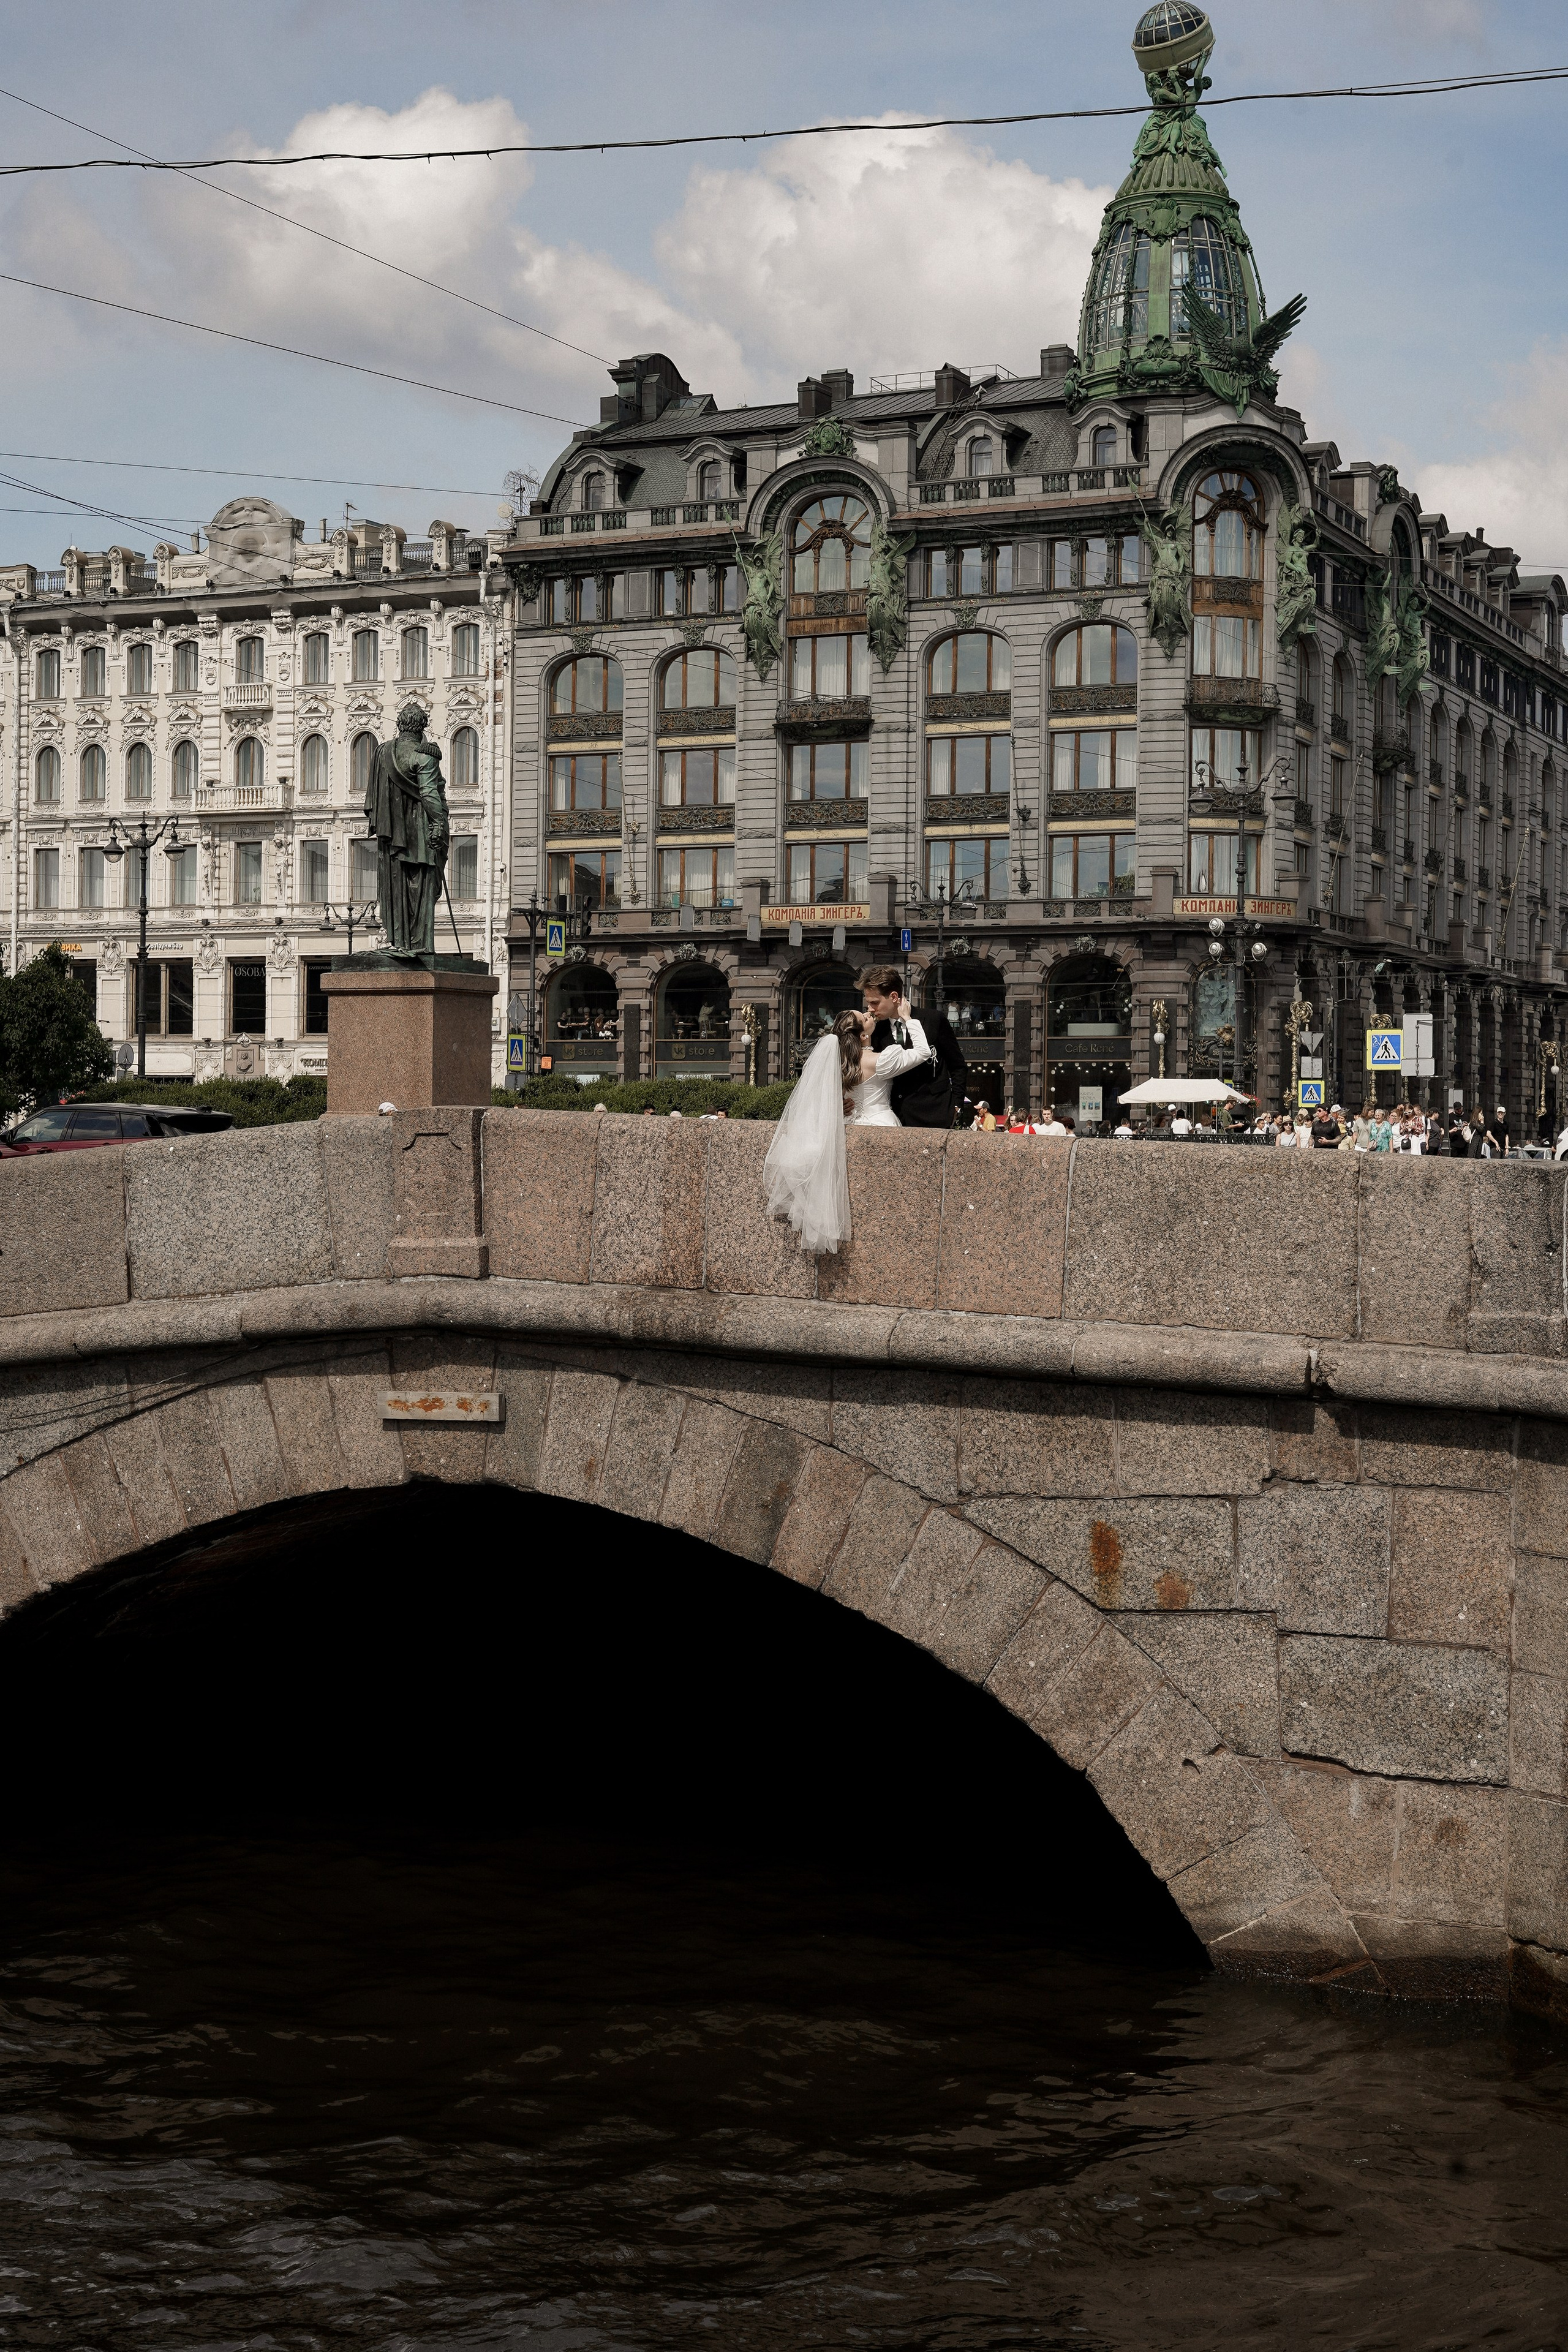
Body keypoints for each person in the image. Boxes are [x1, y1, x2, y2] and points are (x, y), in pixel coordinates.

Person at [761, 1009, 931, 1254]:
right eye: (865, 1018)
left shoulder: (837, 1063)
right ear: (863, 1036)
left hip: (848, 1130)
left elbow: (814, 1100)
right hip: (882, 1127)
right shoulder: (879, 1060)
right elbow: (923, 1052)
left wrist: (836, 1107)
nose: (869, 1014)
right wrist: (908, 1018)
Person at [859, 965, 967, 1129]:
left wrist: (957, 1107)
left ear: (893, 997)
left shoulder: (933, 1019)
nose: (870, 1008)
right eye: (868, 1003)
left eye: (875, 1002)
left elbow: (958, 1066)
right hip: (894, 1118)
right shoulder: (875, 1031)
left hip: (936, 1114)